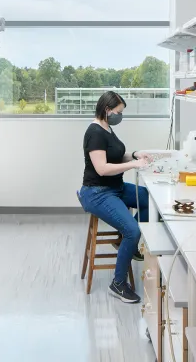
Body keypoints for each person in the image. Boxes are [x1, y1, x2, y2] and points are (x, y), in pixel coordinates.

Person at [78, 90, 151, 304]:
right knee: (132, 230)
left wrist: (136, 155)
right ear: (107, 110)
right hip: (97, 193)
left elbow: (116, 155)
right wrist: (133, 165)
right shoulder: (95, 133)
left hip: (115, 187)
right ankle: (118, 284)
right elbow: (102, 168)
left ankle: (124, 243)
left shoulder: (107, 128)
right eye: (118, 112)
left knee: (150, 200)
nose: (120, 116)